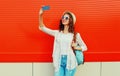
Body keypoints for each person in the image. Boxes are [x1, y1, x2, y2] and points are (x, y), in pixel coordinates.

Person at [39, 7, 87, 76]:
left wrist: (76, 47)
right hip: (59, 60)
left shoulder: (75, 35)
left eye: (66, 18)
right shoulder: (57, 33)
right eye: (63, 17)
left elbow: (85, 47)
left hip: (70, 61)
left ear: (71, 20)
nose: (64, 19)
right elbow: (42, 28)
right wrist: (40, 15)